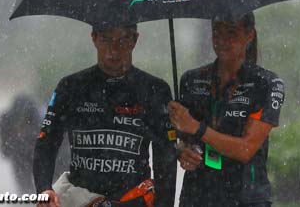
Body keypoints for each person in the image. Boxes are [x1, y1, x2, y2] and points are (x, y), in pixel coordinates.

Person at [33, 23, 177, 207]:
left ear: (134, 40)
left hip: (133, 200)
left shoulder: (155, 90)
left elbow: (165, 158)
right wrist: (44, 188)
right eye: (106, 39)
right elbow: (46, 142)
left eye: (123, 40)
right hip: (82, 200)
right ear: (93, 38)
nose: (114, 49)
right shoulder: (71, 87)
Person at [169, 12, 285, 207]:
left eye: (231, 33)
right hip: (197, 196)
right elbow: (181, 138)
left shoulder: (267, 84)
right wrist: (183, 151)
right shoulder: (191, 79)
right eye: (216, 33)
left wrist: (198, 128)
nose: (222, 41)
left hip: (246, 197)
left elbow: (245, 149)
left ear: (249, 35)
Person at [0, 93, 69, 194]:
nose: (21, 127)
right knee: (25, 188)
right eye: (18, 124)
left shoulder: (44, 120)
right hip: (22, 154)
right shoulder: (6, 121)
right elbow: (5, 150)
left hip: (52, 154)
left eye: (25, 122)